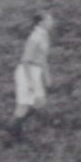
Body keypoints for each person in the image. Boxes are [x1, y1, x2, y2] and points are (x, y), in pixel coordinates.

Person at [10, 11, 54, 141]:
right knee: (22, 107)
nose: (52, 22)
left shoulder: (44, 35)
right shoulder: (35, 37)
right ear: (41, 22)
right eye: (49, 20)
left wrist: (47, 76)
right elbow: (25, 60)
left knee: (40, 103)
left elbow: (43, 58)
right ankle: (12, 136)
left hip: (36, 71)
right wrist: (29, 82)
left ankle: (17, 128)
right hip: (26, 72)